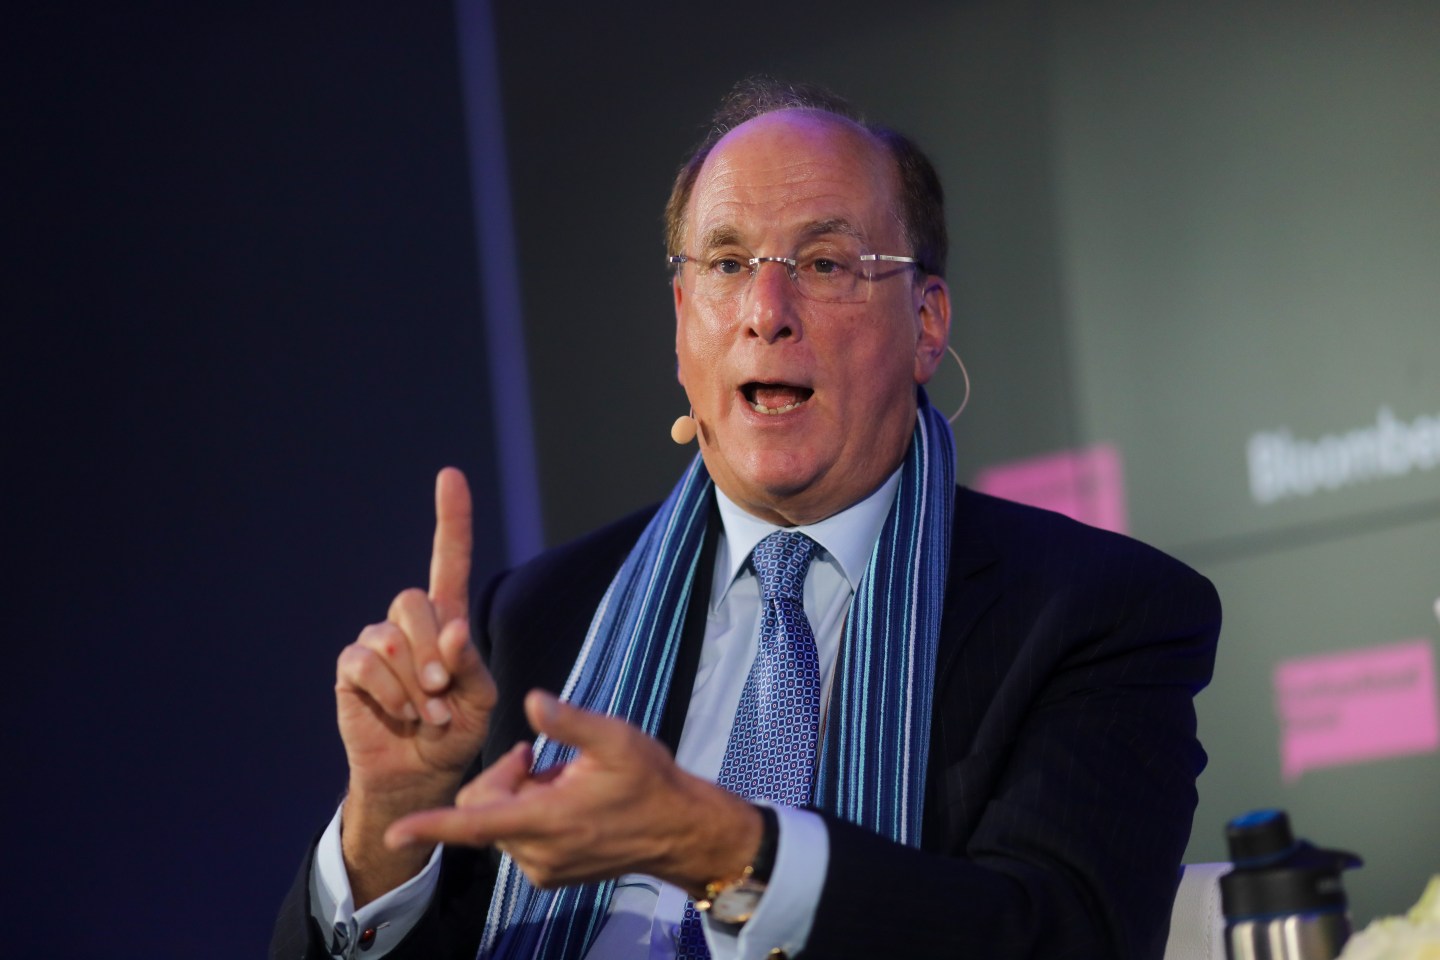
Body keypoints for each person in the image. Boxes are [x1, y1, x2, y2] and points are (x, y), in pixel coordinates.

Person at [272, 78, 1220, 960]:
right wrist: (384, 827)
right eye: (727, 263)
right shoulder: (538, 620)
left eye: (824, 261)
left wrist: (722, 848)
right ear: (684, 320)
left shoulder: (1097, 616)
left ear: (927, 325)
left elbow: (1060, 940)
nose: (767, 311)